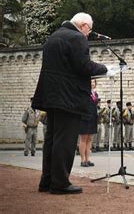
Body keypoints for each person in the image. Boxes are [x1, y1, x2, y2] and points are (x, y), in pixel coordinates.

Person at [32, 12, 107, 194]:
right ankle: (60, 183)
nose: (88, 34)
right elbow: (83, 66)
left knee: (52, 139)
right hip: (68, 98)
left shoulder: (54, 37)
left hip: (51, 96)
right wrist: (105, 68)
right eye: (88, 30)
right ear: (82, 25)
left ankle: (47, 181)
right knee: (65, 141)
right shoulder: (76, 38)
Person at [79, 79, 100, 167]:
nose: (92, 83)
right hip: (84, 118)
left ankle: (88, 159)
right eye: (90, 81)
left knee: (90, 139)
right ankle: (83, 160)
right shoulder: (84, 93)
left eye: (94, 82)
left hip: (93, 118)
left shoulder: (95, 94)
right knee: (83, 139)